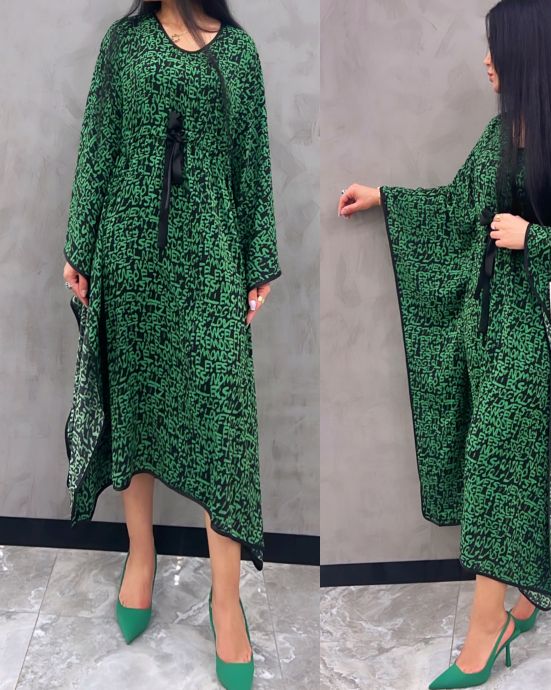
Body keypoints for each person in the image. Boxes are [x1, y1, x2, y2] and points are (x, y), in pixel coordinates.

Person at [337, 0, 551, 687]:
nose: (487, 62)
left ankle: (485, 629)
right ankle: (538, 584)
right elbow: (456, 206)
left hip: (539, 336)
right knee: (503, 464)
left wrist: (534, 238)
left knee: (498, 469)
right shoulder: (501, 132)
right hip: (487, 328)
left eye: (496, 48)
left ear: (528, 53)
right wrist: (384, 196)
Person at [62, 1, 281, 688]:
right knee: (134, 400)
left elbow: (252, 163)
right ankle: (141, 555)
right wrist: (80, 244)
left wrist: (258, 261)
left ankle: (226, 599)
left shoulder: (239, 54)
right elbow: (99, 143)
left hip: (210, 252)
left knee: (223, 424)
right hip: (128, 250)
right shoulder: (123, 43)